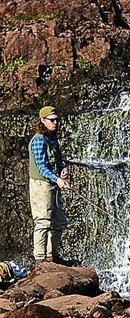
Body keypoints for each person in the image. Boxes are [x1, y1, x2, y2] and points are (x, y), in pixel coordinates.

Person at [28, 104, 71, 264]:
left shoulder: (52, 138)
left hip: (53, 184)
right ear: (43, 120)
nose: (55, 123)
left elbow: (59, 161)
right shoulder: (39, 140)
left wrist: (64, 169)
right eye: (52, 120)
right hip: (41, 185)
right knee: (43, 221)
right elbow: (41, 166)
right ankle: (40, 260)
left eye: (57, 120)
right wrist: (58, 179)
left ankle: (52, 256)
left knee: (59, 222)